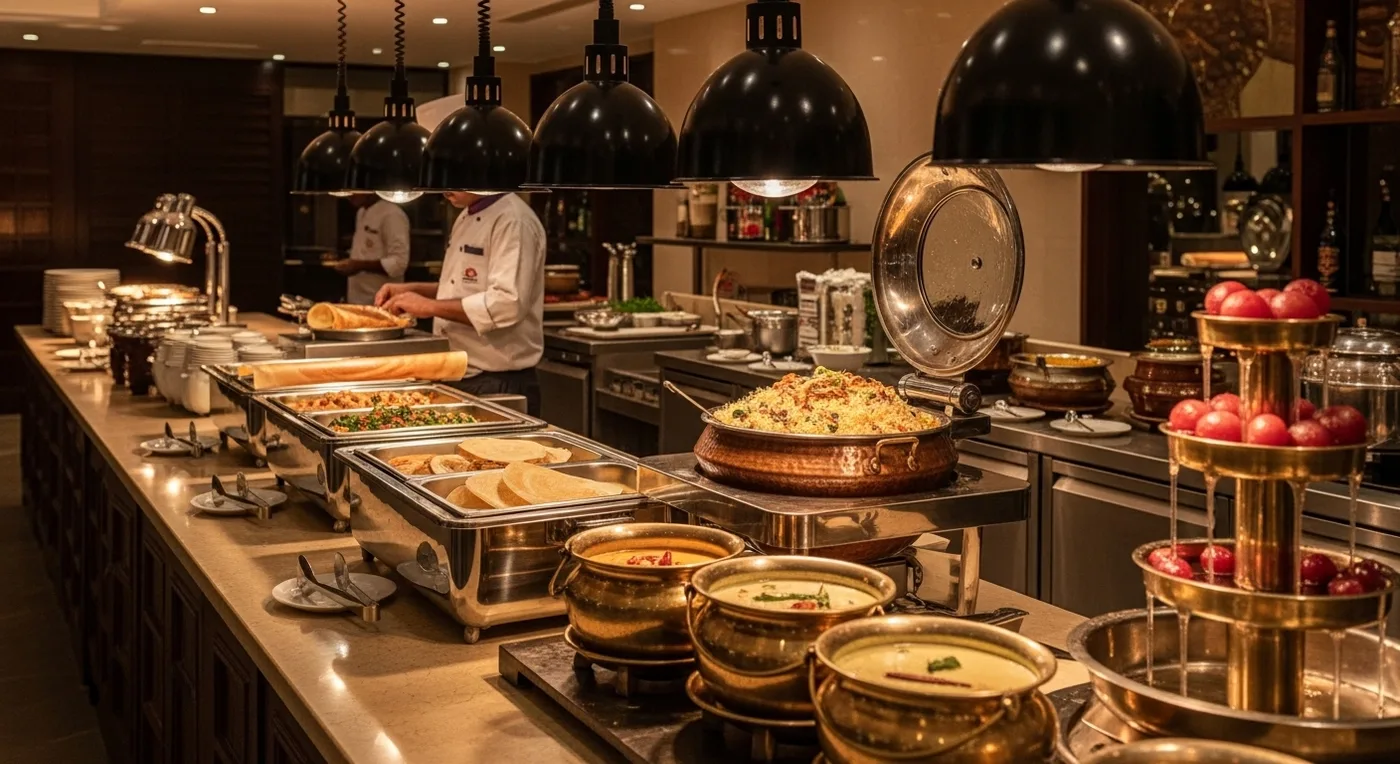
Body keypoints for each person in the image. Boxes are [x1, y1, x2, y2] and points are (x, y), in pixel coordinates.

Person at [376, 191, 546, 414]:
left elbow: (506, 303)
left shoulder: (514, 220)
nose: (443, 190)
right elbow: (463, 290)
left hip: (498, 382)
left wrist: (429, 306)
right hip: (459, 372)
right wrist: (412, 291)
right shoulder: (465, 215)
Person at [336, 193, 410, 305]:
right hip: (357, 298)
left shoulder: (392, 214)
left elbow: (398, 264)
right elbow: (366, 252)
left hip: (383, 302)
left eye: (355, 191)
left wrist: (358, 266)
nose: (349, 195)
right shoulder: (361, 212)